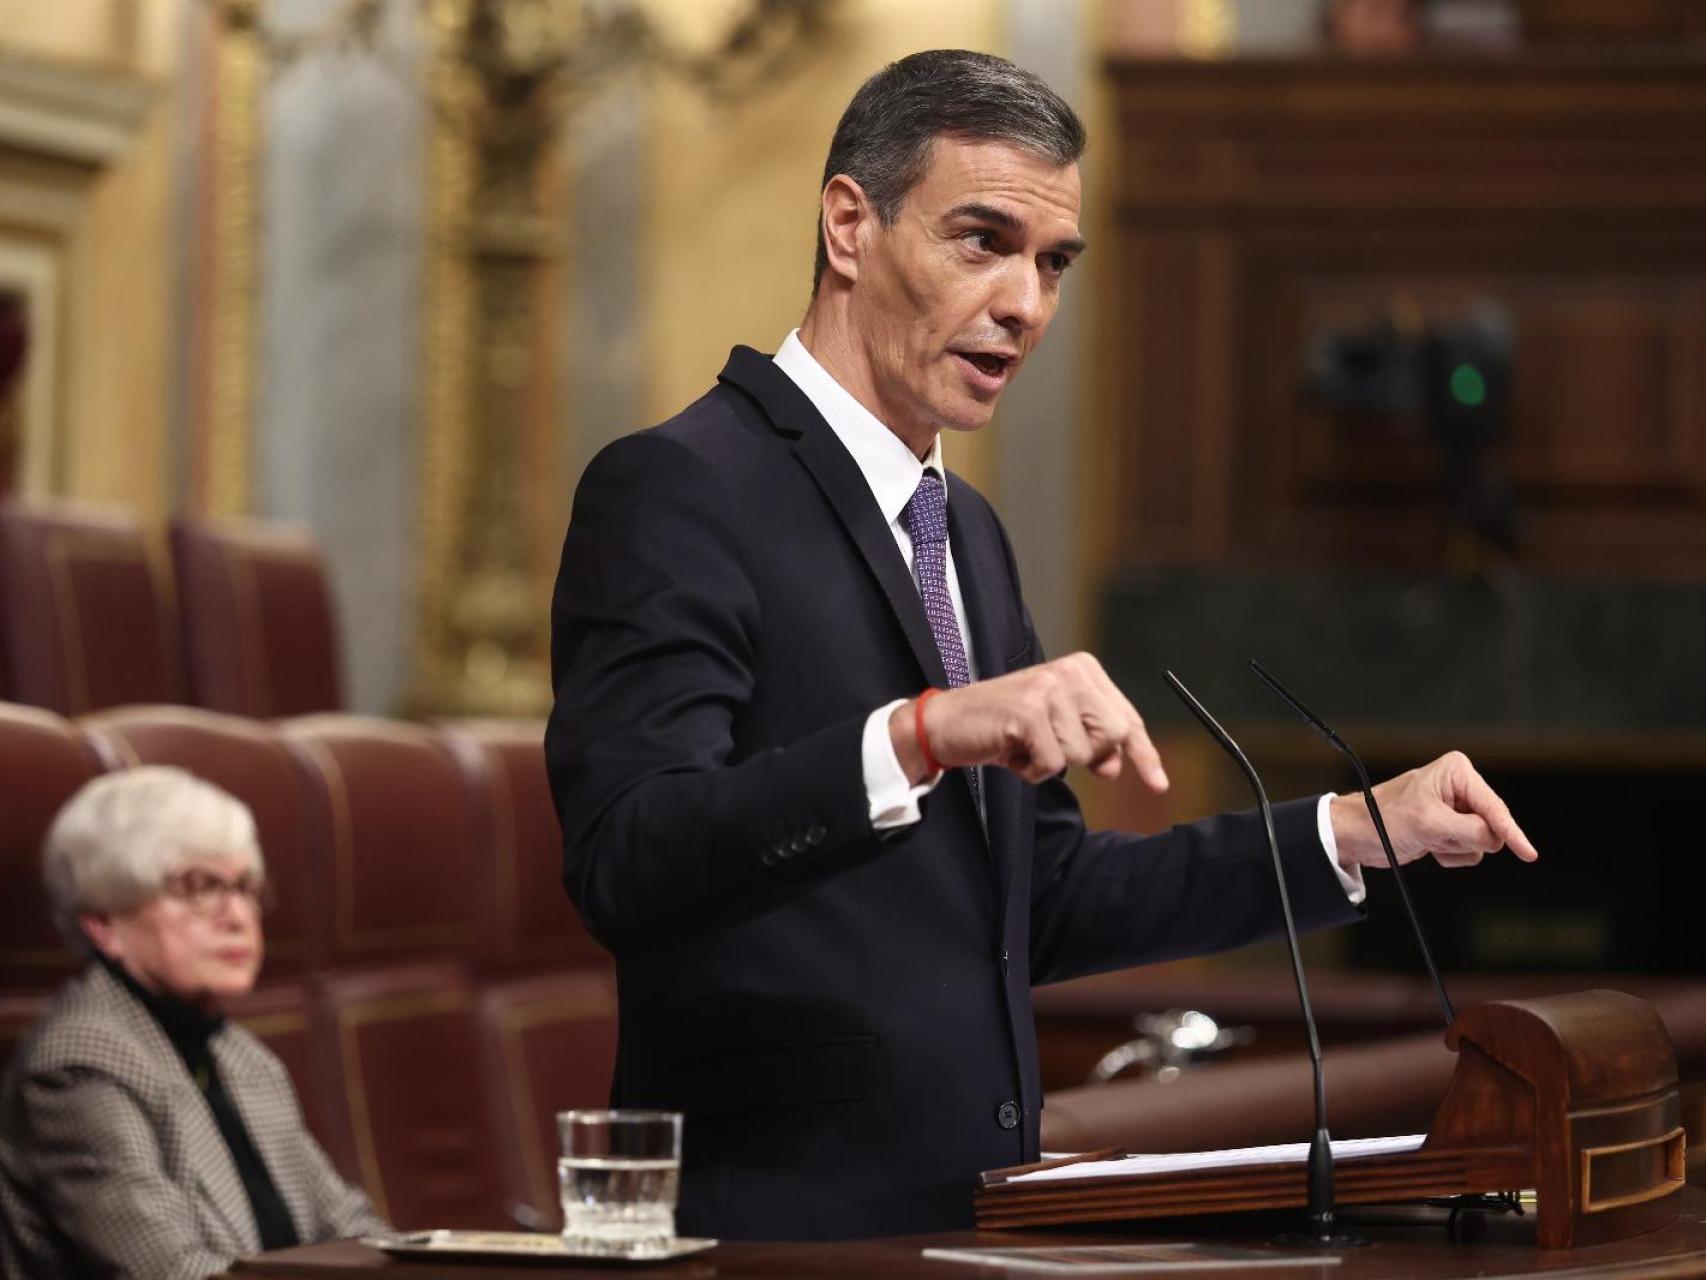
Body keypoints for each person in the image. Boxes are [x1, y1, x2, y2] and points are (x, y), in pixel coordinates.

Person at [545, 48, 1536, 1242]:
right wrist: (915, 734)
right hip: (777, 1233)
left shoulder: (961, 528)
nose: (1024, 302)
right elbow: (625, 856)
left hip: (973, 1221)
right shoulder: (677, 488)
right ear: (849, 226)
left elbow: (1046, 900)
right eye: (981, 241)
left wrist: (1351, 830)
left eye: (1050, 262)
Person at [0, 767, 385, 1280]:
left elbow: (353, 1232)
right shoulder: (79, 1067)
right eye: (199, 886)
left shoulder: (239, 1054)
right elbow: (172, 1271)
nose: (237, 915)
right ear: (104, 923)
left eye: (244, 886)